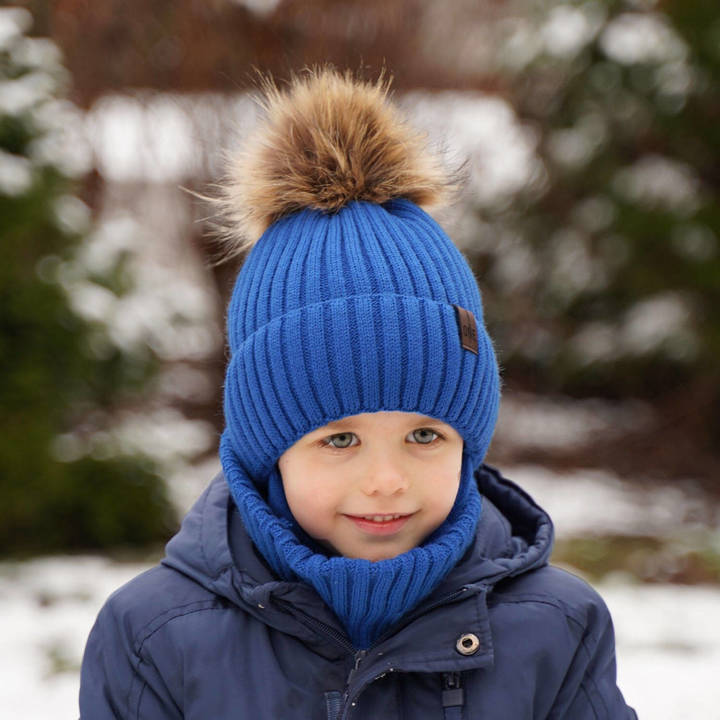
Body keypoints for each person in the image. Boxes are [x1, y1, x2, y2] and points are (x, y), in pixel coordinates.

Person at [79, 65, 638, 719]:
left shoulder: (556, 630)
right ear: (271, 450)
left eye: (425, 435)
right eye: (339, 438)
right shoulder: (155, 639)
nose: (386, 480)